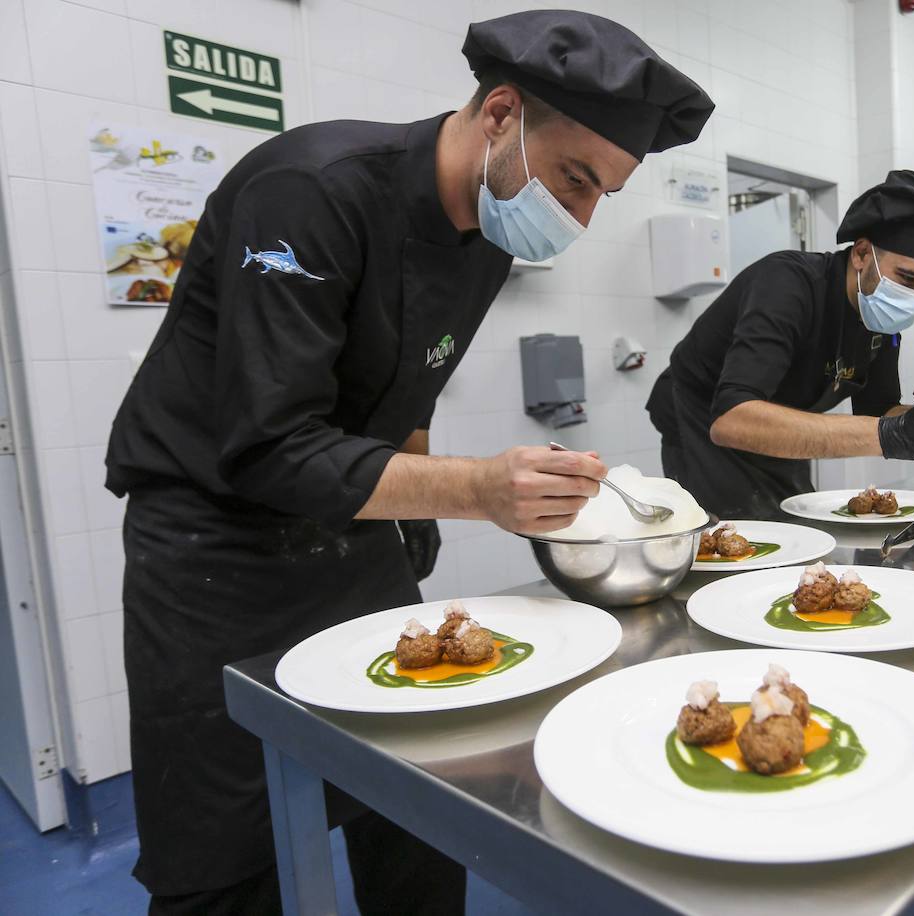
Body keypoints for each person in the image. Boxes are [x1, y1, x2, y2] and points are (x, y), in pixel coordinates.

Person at [103, 10, 712, 914]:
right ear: (500, 113)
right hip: (211, 553)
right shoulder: (310, 190)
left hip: (352, 534)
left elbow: (408, 388)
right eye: (576, 178)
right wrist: (474, 490)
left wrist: (415, 513)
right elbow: (270, 446)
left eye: (600, 197)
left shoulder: (487, 236)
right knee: (225, 852)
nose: (579, 217)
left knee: (421, 805)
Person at [647, 170, 914, 519]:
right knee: (740, 532)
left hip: (775, 419)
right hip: (700, 419)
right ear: (860, 253)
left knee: (798, 524)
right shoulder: (786, 284)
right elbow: (732, 420)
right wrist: (893, 435)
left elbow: (880, 411)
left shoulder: (881, 319)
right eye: (907, 278)